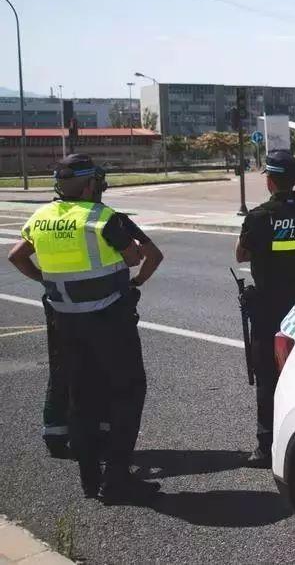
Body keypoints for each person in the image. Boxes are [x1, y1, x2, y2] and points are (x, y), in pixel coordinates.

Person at [7, 154, 163, 502]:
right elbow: (140, 256)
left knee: (82, 396)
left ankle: (90, 480)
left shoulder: (42, 217)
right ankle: (117, 478)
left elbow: (16, 256)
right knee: (127, 392)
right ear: (92, 184)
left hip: (65, 321)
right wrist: (134, 278)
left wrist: (48, 281)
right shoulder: (102, 219)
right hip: (109, 320)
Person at [235, 149, 295, 468]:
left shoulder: (258, 217)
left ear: (269, 181)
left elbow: (241, 255)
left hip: (270, 306)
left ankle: (265, 445)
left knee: (268, 374)